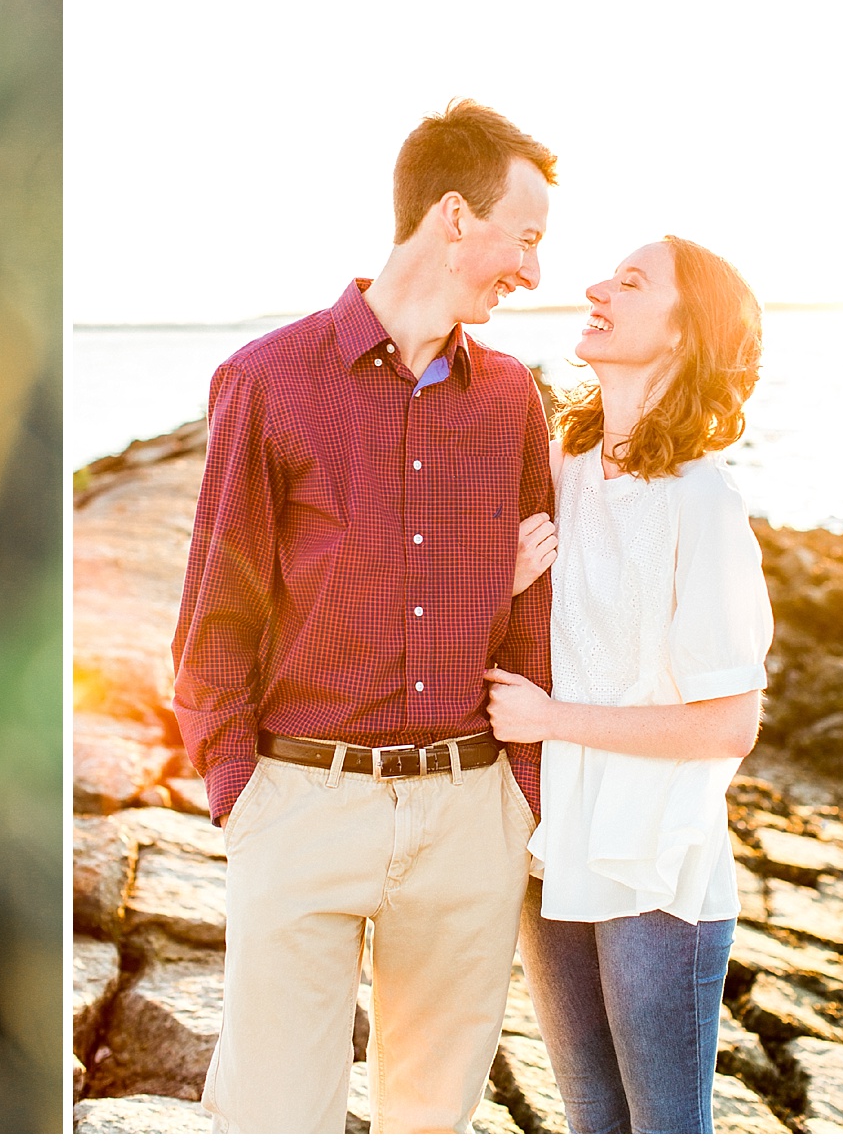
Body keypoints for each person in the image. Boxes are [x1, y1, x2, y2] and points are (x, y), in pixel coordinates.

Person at [171, 99, 557, 1133]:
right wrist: (240, 793)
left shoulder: (512, 399)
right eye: (525, 237)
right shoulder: (268, 381)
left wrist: (520, 796)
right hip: (302, 803)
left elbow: (533, 621)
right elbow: (217, 611)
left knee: (430, 1123)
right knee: (276, 1118)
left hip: (469, 811)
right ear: (453, 218)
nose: (533, 269)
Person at [485, 235, 771, 1134]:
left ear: (684, 333)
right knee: (592, 1124)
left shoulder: (702, 501)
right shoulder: (559, 465)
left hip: (653, 862)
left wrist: (550, 719)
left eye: (632, 282)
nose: (597, 288)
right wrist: (504, 584)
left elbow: (728, 724)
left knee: (666, 1130)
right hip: (552, 846)